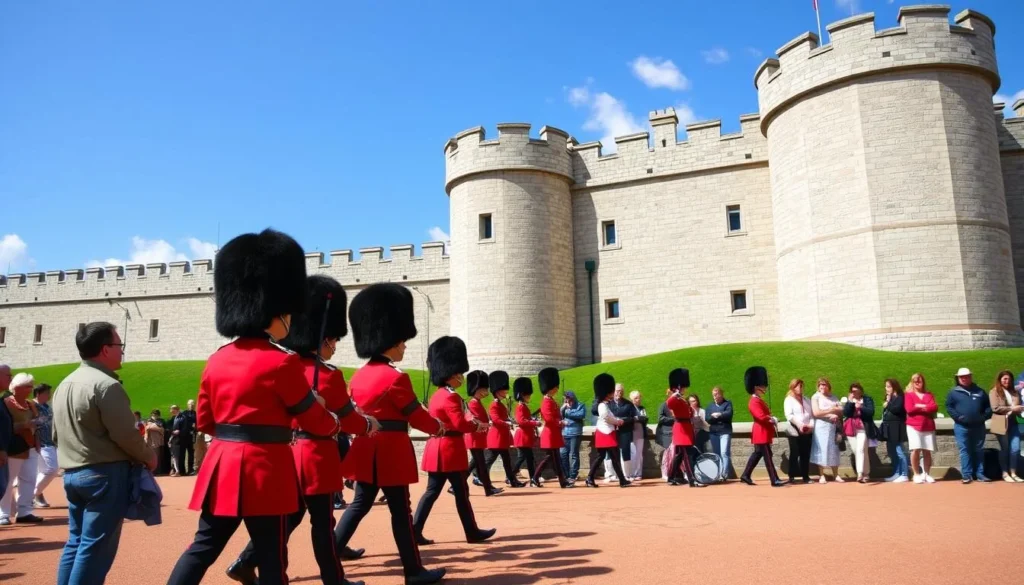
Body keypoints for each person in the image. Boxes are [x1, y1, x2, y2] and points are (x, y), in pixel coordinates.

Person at [166, 229, 342, 585]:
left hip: (223, 464)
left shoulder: (216, 359)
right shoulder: (282, 362)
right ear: (275, 312)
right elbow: (315, 421)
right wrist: (329, 414)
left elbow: (205, 419)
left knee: (203, 546)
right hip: (266, 469)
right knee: (272, 556)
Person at [227, 274, 376, 585]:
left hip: (286, 454)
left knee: (288, 518)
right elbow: (348, 419)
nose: (335, 346)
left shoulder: (284, 364)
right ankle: (334, 579)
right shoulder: (329, 375)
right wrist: (368, 426)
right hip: (316, 455)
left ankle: (246, 561)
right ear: (324, 339)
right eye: (333, 340)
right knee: (322, 523)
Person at [332, 282, 446, 585]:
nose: (405, 346)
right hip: (391, 450)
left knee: (359, 504)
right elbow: (416, 416)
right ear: (391, 342)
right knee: (400, 510)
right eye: (402, 341)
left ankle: (330, 552)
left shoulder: (358, 376)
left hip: (365, 447)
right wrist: (438, 427)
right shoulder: (396, 378)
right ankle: (413, 571)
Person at [52, 322, 158, 584]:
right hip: (104, 473)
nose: (122, 351)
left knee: (76, 543)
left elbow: (56, 434)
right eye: (119, 345)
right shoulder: (106, 385)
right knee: (95, 549)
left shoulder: (64, 384)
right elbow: (125, 435)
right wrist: (148, 455)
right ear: (105, 349)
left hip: (73, 472)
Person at [414, 337, 496, 545]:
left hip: (438, 449)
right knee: (460, 493)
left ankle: (415, 530)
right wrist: (478, 426)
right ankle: (472, 532)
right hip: (449, 450)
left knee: (433, 492)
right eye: (459, 373)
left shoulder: (438, 395)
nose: (461, 377)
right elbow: (460, 424)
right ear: (451, 374)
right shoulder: (450, 397)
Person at [1, 372, 42, 525]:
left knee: (29, 479)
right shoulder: (6, 403)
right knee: (8, 481)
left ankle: (24, 511)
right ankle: (3, 513)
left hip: (30, 446)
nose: (31, 389)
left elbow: (35, 423)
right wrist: (24, 425)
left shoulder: (30, 403)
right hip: (14, 447)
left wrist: (37, 441)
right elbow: (5, 427)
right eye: (28, 386)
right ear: (17, 387)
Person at [739, 366, 786, 487]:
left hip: (763, 431)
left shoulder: (758, 400)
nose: (765, 388)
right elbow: (760, 417)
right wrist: (772, 419)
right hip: (761, 432)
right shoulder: (754, 401)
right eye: (763, 385)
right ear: (756, 387)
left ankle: (745, 475)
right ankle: (774, 479)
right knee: (767, 457)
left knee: (758, 454)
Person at [946, 367, 992, 483]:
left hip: (979, 426)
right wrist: (958, 417)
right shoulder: (953, 392)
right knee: (964, 450)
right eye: (962, 377)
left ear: (970, 377)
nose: (964, 379)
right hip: (961, 426)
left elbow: (988, 407)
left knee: (979, 450)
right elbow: (949, 407)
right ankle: (966, 475)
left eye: (966, 376)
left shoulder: (980, 391)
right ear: (958, 378)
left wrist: (983, 417)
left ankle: (980, 474)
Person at [585, 373, 630, 488]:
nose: (613, 393)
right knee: (611, 457)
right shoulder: (602, 405)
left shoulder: (605, 404)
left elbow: (610, 417)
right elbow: (606, 417)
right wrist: (617, 422)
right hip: (606, 434)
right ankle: (621, 480)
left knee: (605, 457)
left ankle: (591, 478)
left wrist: (616, 420)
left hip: (606, 433)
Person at [463, 370, 502, 496]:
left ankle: (455, 486)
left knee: (474, 464)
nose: (486, 392)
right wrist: (487, 424)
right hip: (475, 437)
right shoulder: (473, 403)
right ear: (477, 389)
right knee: (481, 466)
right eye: (484, 389)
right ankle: (488, 488)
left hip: (478, 437)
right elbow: (475, 421)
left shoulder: (477, 402)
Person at [483, 371, 524, 488]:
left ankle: (512, 480)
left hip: (502, 437)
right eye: (503, 390)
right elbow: (496, 420)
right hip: (496, 437)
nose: (506, 392)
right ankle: (478, 474)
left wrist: (510, 421)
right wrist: (507, 422)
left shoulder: (501, 404)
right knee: (489, 460)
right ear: (497, 391)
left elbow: (503, 418)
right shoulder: (494, 405)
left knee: (507, 461)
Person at [532, 368, 571, 488]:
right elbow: (549, 419)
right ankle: (537, 478)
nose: (557, 389)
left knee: (553, 459)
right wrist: (561, 423)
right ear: (550, 388)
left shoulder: (551, 400)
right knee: (552, 458)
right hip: (550, 434)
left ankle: (560, 480)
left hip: (553, 433)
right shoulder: (546, 402)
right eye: (555, 387)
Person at [665, 369, 704, 488]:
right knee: (686, 455)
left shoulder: (681, 399)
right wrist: (674, 394)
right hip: (681, 429)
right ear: (678, 387)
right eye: (683, 387)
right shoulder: (675, 398)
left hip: (686, 428)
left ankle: (671, 477)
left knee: (680, 455)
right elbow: (669, 404)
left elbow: (689, 412)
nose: (684, 390)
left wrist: (690, 410)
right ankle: (692, 480)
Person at [989, 370, 1023, 482]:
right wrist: (1012, 408)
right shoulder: (994, 392)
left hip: (1013, 423)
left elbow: (1019, 406)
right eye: (1004, 378)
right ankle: (1005, 473)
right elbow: (995, 408)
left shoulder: (1014, 392)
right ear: (1000, 380)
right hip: (1000, 422)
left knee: (1015, 449)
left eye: (1009, 379)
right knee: (1005, 449)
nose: (1007, 381)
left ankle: (1013, 472)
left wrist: (1020, 410)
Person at [904, 372, 938, 483]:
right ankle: (916, 473)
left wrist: (919, 406)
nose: (918, 383)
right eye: (915, 381)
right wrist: (925, 407)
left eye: (920, 380)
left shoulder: (929, 395)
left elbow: (934, 407)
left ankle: (926, 473)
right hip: (914, 426)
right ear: (912, 383)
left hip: (928, 425)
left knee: (927, 450)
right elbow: (909, 409)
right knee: (916, 449)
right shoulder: (909, 395)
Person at [842, 383, 877, 483]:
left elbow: (871, 412)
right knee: (858, 451)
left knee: (860, 449)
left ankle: (860, 474)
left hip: (863, 428)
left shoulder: (867, 399)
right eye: (853, 391)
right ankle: (867, 473)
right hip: (851, 429)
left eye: (857, 391)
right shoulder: (849, 400)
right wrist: (850, 402)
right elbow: (846, 413)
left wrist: (860, 407)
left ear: (861, 391)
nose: (855, 393)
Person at [810, 377, 843, 483]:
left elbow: (841, 410)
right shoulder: (815, 397)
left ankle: (836, 474)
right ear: (818, 386)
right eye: (821, 385)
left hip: (833, 427)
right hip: (821, 427)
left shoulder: (833, 397)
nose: (822, 387)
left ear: (828, 386)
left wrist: (836, 413)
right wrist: (831, 411)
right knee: (821, 449)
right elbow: (816, 413)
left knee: (834, 450)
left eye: (824, 384)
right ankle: (822, 475)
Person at [31, 383, 59, 508]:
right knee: (51, 469)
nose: (49, 395)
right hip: (40, 443)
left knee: (43, 471)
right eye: (47, 393)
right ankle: (31, 494)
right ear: (38, 394)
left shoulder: (46, 406)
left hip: (50, 442)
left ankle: (36, 495)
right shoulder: (32, 406)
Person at [511, 378, 540, 487]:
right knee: (525, 458)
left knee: (527, 458)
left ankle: (532, 478)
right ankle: (512, 476)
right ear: (522, 395)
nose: (529, 397)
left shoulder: (523, 406)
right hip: (523, 437)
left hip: (525, 436)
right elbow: (521, 421)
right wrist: (534, 423)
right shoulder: (520, 407)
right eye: (527, 395)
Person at [783, 379, 813, 484]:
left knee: (805, 453)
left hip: (807, 429)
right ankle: (792, 476)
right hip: (794, 429)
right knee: (795, 452)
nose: (799, 388)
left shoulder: (806, 399)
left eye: (801, 386)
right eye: (797, 386)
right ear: (792, 387)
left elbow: (811, 415)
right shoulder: (789, 400)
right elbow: (789, 415)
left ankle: (805, 476)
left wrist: (810, 425)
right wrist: (800, 425)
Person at [880, 379, 909, 483]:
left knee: (899, 451)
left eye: (888, 387)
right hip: (889, 427)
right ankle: (897, 473)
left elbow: (897, 409)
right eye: (886, 386)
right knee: (892, 452)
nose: (886, 389)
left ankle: (904, 474)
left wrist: (888, 403)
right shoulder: (891, 398)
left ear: (894, 387)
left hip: (897, 427)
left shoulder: (900, 397)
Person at [608, 384, 637, 481]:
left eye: (620, 391)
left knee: (625, 451)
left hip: (625, 430)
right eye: (617, 391)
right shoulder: (609, 403)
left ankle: (627, 475)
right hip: (612, 430)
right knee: (612, 452)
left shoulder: (628, 404)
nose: (618, 393)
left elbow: (633, 418)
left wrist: (624, 421)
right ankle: (612, 474)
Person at [704, 386, 734, 480]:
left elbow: (728, 414)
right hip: (714, 432)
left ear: (721, 394)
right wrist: (714, 417)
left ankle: (724, 474)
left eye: (717, 394)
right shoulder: (710, 406)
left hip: (725, 431)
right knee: (717, 453)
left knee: (724, 452)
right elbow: (707, 419)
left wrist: (719, 414)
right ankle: (718, 472)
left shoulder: (727, 404)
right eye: (713, 395)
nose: (715, 397)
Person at [559, 390, 586, 482]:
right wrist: (563, 408)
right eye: (566, 398)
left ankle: (573, 475)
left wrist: (568, 412)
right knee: (563, 454)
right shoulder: (564, 407)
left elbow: (581, 415)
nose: (567, 400)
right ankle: (567, 475)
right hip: (564, 433)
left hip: (575, 432)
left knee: (574, 454)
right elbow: (558, 416)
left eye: (569, 398)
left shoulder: (580, 405)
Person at [627, 391, 648, 481]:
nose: (638, 399)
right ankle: (631, 473)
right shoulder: (628, 408)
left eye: (639, 397)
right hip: (631, 433)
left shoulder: (642, 408)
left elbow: (645, 418)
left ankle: (638, 473)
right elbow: (629, 419)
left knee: (639, 454)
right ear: (631, 399)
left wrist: (636, 418)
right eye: (636, 398)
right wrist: (637, 418)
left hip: (640, 433)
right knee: (632, 453)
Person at [656, 390, 675, 481]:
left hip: (675, 432)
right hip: (666, 433)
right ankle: (664, 472)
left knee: (675, 454)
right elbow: (660, 418)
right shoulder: (663, 405)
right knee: (667, 453)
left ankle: (673, 472)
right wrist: (673, 420)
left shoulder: (677, 405)